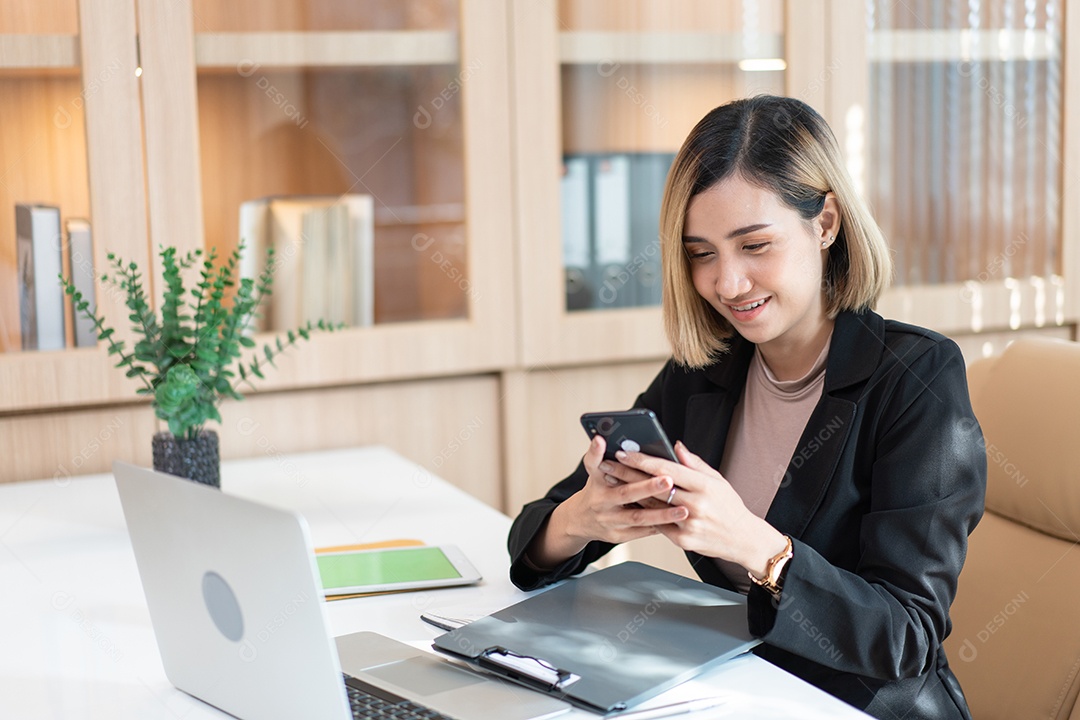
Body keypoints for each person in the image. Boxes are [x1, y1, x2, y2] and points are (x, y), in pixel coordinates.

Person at [507, 95, 986, 720]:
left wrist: (755, 545)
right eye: (702, 253)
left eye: (755, 245)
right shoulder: (708, 371)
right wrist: (581, 519)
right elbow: (531, 544)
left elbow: (906, 635)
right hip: (737, 687)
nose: (727, 284)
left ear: (825, 224)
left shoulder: (916, 379)